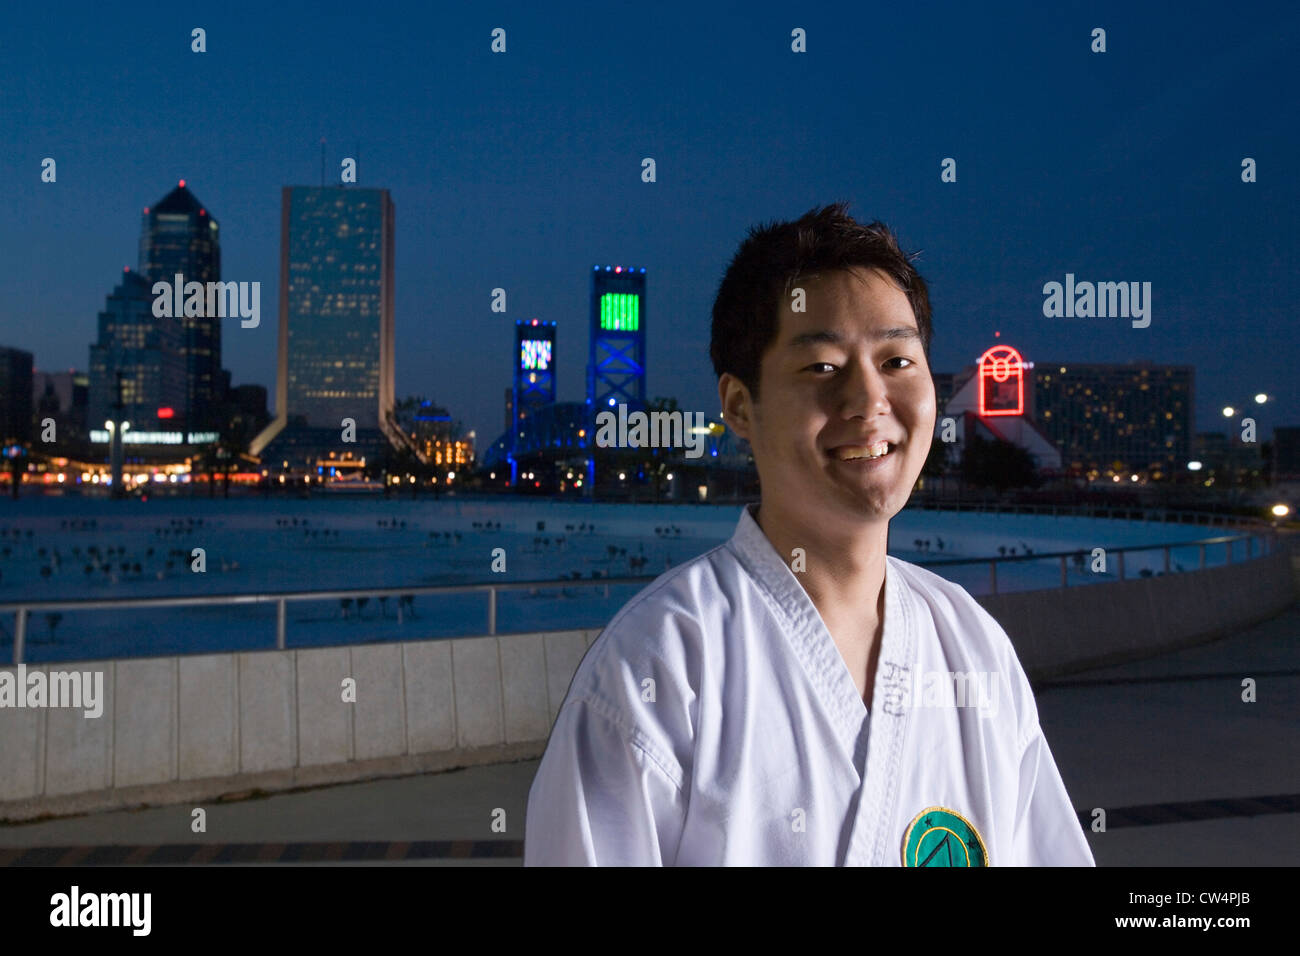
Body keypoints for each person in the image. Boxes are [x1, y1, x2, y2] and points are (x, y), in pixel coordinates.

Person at [524, 202, 1093, 866]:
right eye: (822, 367)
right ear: (740, 406)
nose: (869, 399)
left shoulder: (974, 649)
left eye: (898, 360)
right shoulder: (659, 668)